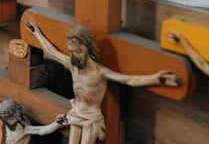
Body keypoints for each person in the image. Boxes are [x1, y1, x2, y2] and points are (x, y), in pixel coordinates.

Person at [27, 22, 181, 143]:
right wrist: (36, 32)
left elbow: (131, 80)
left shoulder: (100, 72)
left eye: (78, 51)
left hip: (91, 119)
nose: (74, 55)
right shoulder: (73, 65)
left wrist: (157, 78)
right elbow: (53, 52)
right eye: (71, 51)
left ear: (86, 48)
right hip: (75, 113)